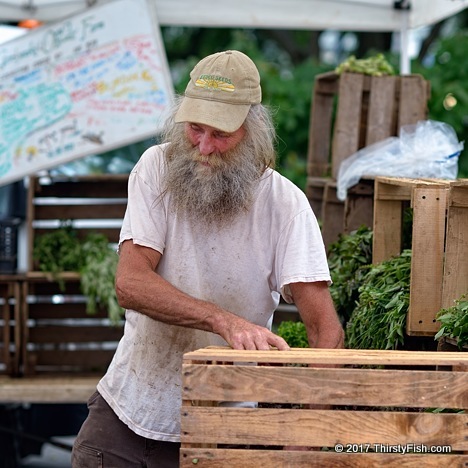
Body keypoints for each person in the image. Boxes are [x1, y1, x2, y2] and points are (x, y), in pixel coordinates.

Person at [72, 50, 344, 467]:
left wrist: (306, 426)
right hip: (130, 411)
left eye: (220, 134)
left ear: (252, 133)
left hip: (225, 426)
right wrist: (223, 321)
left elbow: (325, 330)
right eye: (194, 129)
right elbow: (130, 283)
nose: (203, 146)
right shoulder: (155, 169)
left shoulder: (285, 204)